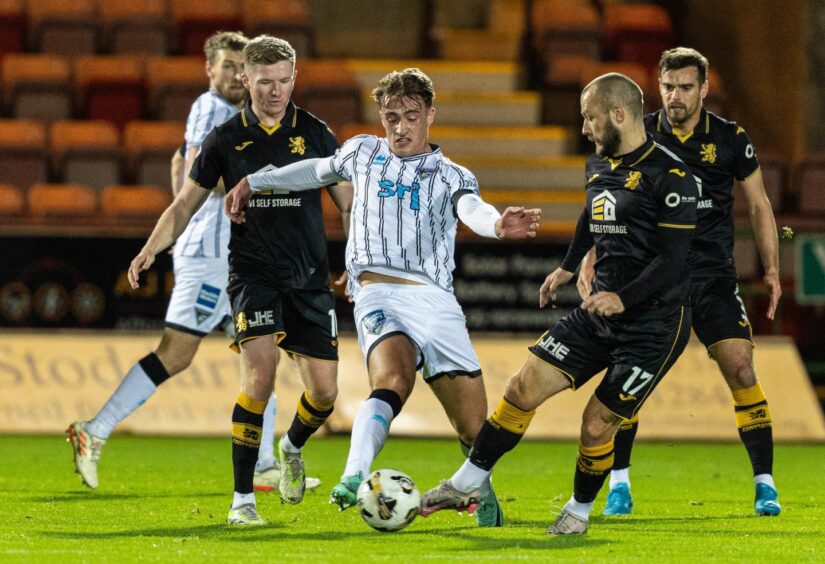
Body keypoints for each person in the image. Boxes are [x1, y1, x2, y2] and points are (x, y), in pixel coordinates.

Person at [225, 67, 542, 528]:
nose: (400, 127)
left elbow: (472, 208)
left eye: (411, 116)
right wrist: (259, 180)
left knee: (473, 430)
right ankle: (355, 475)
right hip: (378, 293)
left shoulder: (451, 174)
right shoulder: (362, 152)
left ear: (430, 114)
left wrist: (495, 225)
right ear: (381, 116)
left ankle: (480, 487)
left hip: (436, 304)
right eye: (391, 116)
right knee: (392, 380)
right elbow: (314, 171)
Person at [418, 73, 698, 535]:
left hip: (655, 325)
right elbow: (593, 214)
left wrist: (622, 298)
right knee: (521, 388)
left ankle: (579, 510)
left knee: (596, 425)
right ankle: (466, 483)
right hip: (597, 316)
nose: (585, 128)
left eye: (590, 117)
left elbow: (673, 261)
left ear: (619, 114)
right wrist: (568, 267)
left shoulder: (672, 177)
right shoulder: (598, 166)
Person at [125, 35, 351, 526]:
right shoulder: (225, 138)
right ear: (245, 80)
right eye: (264, 81)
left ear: (295, 78)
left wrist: (356, 257)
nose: (275, 91)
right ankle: (242, 500)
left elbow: (348, 202)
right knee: (259, 378)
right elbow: (185, 202)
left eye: (284, 81)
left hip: (309, 280)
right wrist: (150, 247)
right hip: (252, 276)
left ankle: (291, 445)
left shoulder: (315, 132)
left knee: (325, 396)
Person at [66, 30, 298, 494]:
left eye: (242, 67)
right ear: (210, 70)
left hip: (232, 257)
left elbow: (180, 160)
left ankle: (264, 465)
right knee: (177, 353)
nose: (235, 75)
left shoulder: (235, 116)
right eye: (227, 66)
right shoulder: (213, 108)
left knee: (263, 350)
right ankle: (95, 429)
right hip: (210, 257)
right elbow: (204, 172)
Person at [577, 48, 782, 518]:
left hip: (710, 275)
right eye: (668, 87)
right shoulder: (639, 132)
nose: (675, 96)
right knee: (625, 377)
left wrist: (770, 270)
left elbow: (759, 205)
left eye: (686, 87)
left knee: (742, 369)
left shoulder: (730, 139)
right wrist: (589, 255)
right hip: (650, 278)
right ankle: (620, 484)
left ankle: (765, 484)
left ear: (705, 89)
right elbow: (608, 199)